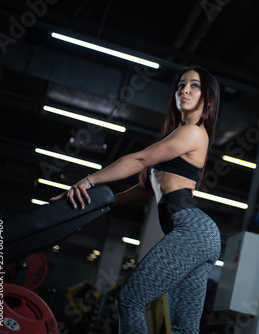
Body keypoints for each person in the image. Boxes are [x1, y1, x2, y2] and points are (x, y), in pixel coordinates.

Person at [52, 65, 221, 333]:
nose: (184, 89)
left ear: (208, 98)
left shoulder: (194, 132)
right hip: (201, 236)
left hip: (193, 230)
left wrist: (88, 180)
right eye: (180, 85)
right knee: (184, 328)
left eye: (194, 85)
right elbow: (146, 189)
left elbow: (139, 159)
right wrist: (101, 202)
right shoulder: (179, 135)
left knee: (130, 299)